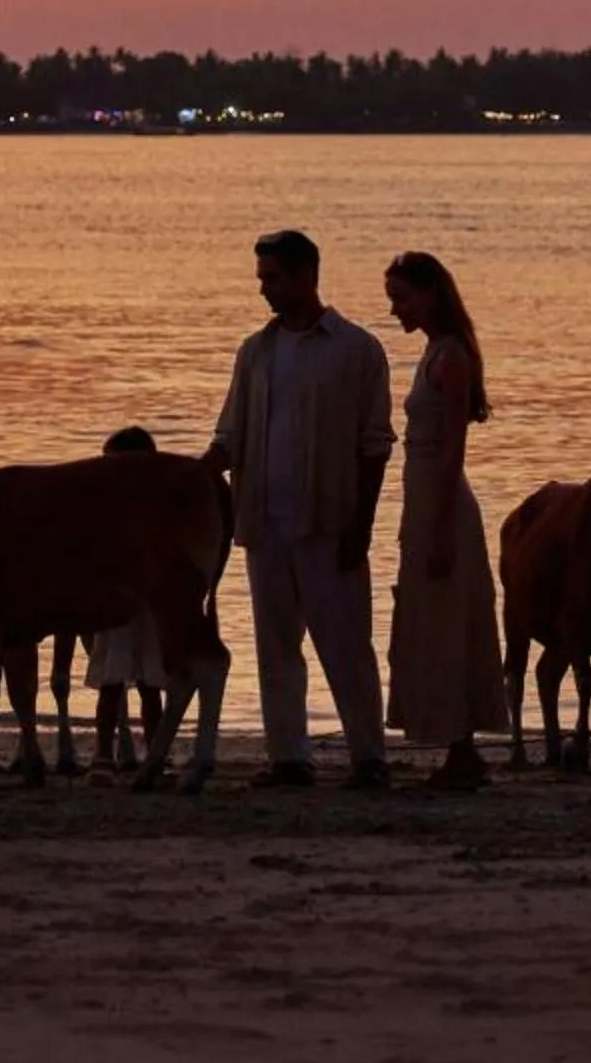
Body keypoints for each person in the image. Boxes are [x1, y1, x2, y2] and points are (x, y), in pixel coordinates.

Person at [211, 227, 396, 790]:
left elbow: (374, 445)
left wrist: (362, 526)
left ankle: (369, 757)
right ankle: (288, 757)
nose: (263, 289)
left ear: (306, 276)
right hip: (264, 522)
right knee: (275, 646)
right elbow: (230, 435)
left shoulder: (357, 350)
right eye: (262, 278)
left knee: (346, 646)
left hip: (329, 521)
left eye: (272, 278)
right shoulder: (255, 352)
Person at [380, 251, 509, 790]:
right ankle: (458, 745)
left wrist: (438, 525)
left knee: (449, 619)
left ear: (430, 293)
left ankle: (462, 748)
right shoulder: (434, 351)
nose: (395, 309)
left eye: (402, 297)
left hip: (442, 498)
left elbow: (454, 446)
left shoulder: (451, 356)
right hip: (424, 495)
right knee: (432, 617)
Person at [81, 425, 168, 782]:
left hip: (143, 603)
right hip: (118, 602)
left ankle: (152, 752)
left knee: (148, 685)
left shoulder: (154, 506)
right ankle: (104, 753)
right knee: (112, 683)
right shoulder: (108, 508)